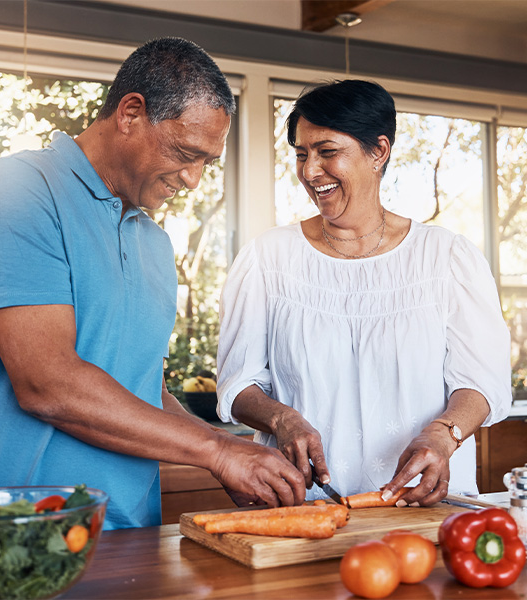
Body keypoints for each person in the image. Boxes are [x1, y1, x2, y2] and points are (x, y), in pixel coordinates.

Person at [0, 37, 307, 529]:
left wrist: (233, 453)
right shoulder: (19, 191)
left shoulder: (155, 245)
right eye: (185, 152)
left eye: (206, 163)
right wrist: (216, 450)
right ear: (130, 113)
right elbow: (48, 383)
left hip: (128, 533)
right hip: (4, 534)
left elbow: (146, 392)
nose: (193, 180)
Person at [216, 79, 511, 506]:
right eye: (301, 154)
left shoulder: (446, 257)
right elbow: (237, 384)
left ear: (379, 152)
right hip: (305, 507)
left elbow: (482, 382)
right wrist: (282, 418)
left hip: (423, 506)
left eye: (327, 152)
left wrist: (445, 434)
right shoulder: (267, 259)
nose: (310, 171)